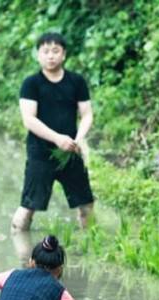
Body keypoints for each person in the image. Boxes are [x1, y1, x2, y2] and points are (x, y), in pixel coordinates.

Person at [12, 32, 95, 232]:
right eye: (46, 51)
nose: (51, 56)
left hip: (71, 152)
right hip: (40, 153)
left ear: (64, 54)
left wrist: (78, 139)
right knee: (28, 206)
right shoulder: (31, 84)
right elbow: (29, 119)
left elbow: (87, 114)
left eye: (55, 51)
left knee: (86, 204)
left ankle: (91, 246)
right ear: (38, 55)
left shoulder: (76, 81)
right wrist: (57, 139)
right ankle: (20, 248)